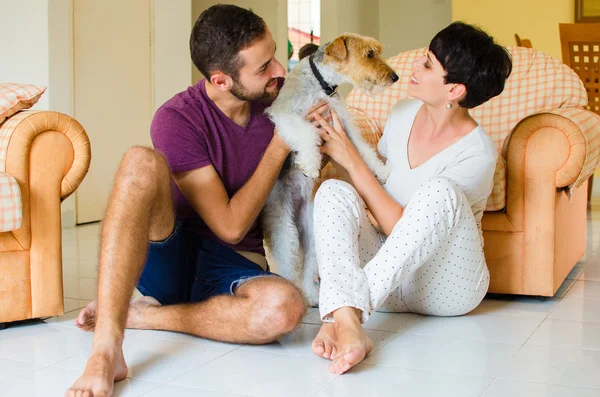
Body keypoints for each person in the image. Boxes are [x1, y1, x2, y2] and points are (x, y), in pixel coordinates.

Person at [66, 5, 329, 397]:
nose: (278, 70)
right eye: (262, 68)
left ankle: (145, 316)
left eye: (274, 54)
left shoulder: (281, 103)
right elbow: (229, 225)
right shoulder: (178, 118)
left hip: (237, 268)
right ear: (221, 80)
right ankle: (106, 350)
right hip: (172, 256)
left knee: (284, 309)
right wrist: (278, 146)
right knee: (139, 161)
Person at [309, 22, 512, 375]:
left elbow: (404, 226)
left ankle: (344, 313)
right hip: (389, 278)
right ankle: (347, 317)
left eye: (428, 64)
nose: (414, 67)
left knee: (440, 190)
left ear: (454, 90)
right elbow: (381, 197)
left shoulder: (477, 153)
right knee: (333, 191)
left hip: (446, 286)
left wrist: (351, 158)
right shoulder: (402, 113)